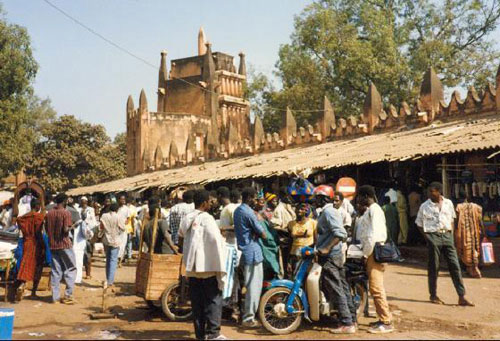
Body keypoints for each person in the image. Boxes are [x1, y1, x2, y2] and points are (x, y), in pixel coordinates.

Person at [415, 182, 474, 306]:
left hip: (447, 236)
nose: (430, 193)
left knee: (455, 266)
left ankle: (461, 296)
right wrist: (428, 238)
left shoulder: (448, 203)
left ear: (439, 192)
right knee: (433, 267)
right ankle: (433, 295)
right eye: (429, 191)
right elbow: (419, 223)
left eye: (432, 191)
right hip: (433, 236)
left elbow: (452, 219)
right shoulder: (424, 206)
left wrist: (451, 235)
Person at [179, 190, 227, 340]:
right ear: (205, 203)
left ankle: (200, 334)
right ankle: (213, 333)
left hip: (192, 269)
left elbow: (181, 238)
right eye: (209, 202)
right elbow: (214, 240)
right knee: (213, 300)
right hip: (208, 268)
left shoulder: (187, 218)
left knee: (197, 304)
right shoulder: (207, 219)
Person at [314, 185, 356, 334]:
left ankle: (347, 323)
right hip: (334, 255)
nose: (314, 200)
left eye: (317, 197)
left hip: (331, 256)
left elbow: (340, 233)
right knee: (343, 287)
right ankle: (351, 318)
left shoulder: (329, 212)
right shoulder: (327, 211)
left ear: (324, 198)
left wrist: (326, 248)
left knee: (336, 288)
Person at [357, 185, 395, 333]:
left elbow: (375, 235)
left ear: (366, 196)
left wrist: (366, 254)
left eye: (360, 197)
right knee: (374, 287)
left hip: (375, 251)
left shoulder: (375, 210)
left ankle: (386, 322)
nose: (358, 200)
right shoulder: (371, 210)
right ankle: (382, 318)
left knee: (376, 288)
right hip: (371, 251)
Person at [234, 187, 267, 328]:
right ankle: (249, 318)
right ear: (249, 198)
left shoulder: (238, 210)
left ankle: (245, 314)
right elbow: (263, 234)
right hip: (253, 252)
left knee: (247, 285)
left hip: (244, 250)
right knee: (254, 287)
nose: (256, 200)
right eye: (254, 198)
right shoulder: (249, 213)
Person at [45, 193, 77, 304]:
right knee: (71, 268)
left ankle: (55, 297)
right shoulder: (66, 213)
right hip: (64, 244)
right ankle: (68, 295)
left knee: (55, 271)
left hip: (53, 245)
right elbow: (65, 229)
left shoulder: (49, 213)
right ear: (64, 201)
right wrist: (73, 226)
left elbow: (46, 229)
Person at [15, 199, 45, 300]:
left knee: (26, 264)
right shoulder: (38, 217)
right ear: (36, 206)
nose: (40, 207)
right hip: (36, 243)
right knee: (37, 266)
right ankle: (33, 292)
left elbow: (19, 224)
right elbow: (38, 233)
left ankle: (22, 284)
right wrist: (43, 245)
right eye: (39, 205)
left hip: (26, 242)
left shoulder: (23, 218)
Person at [217, 187, 240, 316]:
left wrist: (223, 229)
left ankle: (231, 305)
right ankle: (230, 305)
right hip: (228, 246)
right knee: (230, 277)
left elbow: (238, 227)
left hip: (233, 247)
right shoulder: (225, 209)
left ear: (221, 195)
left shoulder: (231, 209)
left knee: (231, 277)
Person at [455, 190, 484, 278]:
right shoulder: (476, 207)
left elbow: (455, 221)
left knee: (465, 251)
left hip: (463, 233)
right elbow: (480, 221)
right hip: (475, 233)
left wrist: (454, 232)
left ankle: (474, 270)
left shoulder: (458, 207)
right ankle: (472, 269)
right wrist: (483, 231)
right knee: (474, 250)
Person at [99, 203, 125, 290]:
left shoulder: (104, 216)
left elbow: (101, 227)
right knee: (113, 261)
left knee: (108, 260)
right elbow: (123, 228)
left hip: (106, 240)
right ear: (117, 209)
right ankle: (110, 281)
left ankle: (108, 279)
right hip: (115, 240)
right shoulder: (118, 217)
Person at [255, 197, 280, 280]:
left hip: (270, 242)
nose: (262, 204)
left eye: (263, 202)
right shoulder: (255, 215)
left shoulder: (263, 215)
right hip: (263, 244)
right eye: (260, 202)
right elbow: (264, 234)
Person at [287, 203, 316, 274]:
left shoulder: (313, 223)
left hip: (308, 254)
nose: (299, 210)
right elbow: (290, 242)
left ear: (306, 211)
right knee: (295, 275)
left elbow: (316, 241)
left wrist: (316, 255)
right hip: (295, 255)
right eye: (297, 208)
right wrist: (288, 261)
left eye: (302, 209)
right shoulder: (291, 224)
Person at [73, 197, 95, 284]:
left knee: (87, 256)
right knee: (79, 259)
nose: (83, 203)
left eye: (85, 201)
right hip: (81, 238)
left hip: (88, 234)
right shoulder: (77, 210)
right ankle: (78, 277)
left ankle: (88, 273)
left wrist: (90, 231)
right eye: (82, 202)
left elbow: (92, 222)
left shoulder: (91, 210)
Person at [117, 194, 130, 266]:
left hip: (123, 229)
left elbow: (128, 219)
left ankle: (120, 261)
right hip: (115, 229)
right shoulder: (116, 208)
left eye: (124, 199)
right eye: (121, 199)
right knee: (116, 245)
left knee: (122, 245)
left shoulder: (126, 209)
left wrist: (124, 225)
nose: (123, 201)